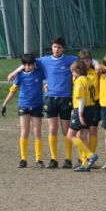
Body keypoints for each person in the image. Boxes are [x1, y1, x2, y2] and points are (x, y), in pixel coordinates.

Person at [8, 37, 78, 169]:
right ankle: (53, 159)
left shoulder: (70, 59)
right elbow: (27, 62)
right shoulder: (44, 60)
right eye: (54, 47)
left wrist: (96, 64)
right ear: (51, 47)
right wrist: (15, 72)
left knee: (65, 129)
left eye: (59, 47)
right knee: (52, 129)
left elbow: (87, 60)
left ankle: (68, 159)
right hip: (50, 98)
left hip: (65, 99)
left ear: (63, 48)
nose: (56, 49)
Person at [1, 53, 45, 168]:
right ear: (23, 65)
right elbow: (13, 90)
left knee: (37, 132)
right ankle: (23, 159)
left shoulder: (39, 73)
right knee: (24, 131)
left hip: (37, 106)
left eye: (31, 64)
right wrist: (4, 104)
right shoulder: (20, 76)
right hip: (24, 105)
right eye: (27, 65)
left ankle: (38, 159)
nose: (29, 67)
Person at [67, 60, 98, 172]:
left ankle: (90, 155)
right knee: (83, 136)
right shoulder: (89, 80)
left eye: (73, 72)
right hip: (91, 109)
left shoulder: (79, 80)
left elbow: (81, 99)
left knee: (70, 135)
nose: (72, 74)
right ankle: (85, 163)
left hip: (81, 110)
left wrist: (80, 114)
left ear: (78, 71)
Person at [76, 49, 101, 168]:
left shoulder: (96, 71)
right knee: (81, 133)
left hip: (94, 104)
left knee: (93, 131)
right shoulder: (76, 74)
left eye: (87, 60)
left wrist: (96, 63)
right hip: (80, 105)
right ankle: (84, 158)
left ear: (90, 61)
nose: (85, 63)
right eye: (82, 60)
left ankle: (91, 160)